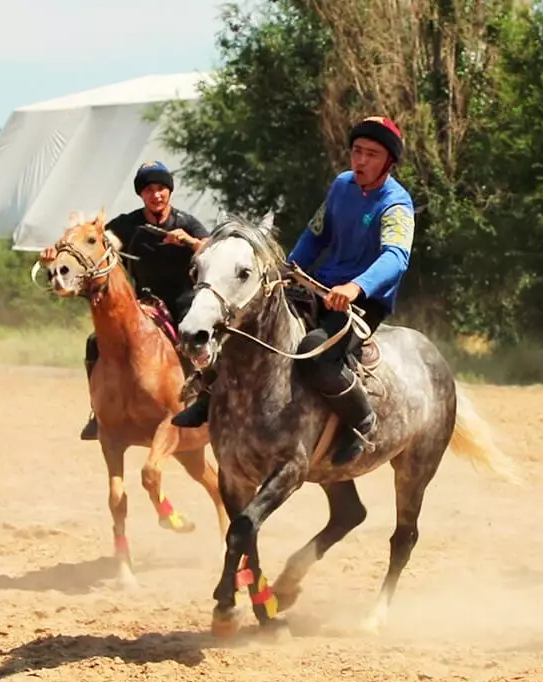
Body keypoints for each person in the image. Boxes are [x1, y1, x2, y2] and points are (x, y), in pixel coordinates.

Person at [174, 115, 415, 467]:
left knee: (316, 352)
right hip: (318, 286)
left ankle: (362, 422)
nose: (360, 161)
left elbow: (396, 257)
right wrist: (289, 268)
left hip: (362, 303)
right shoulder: (342, 186)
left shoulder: (396, 204)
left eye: (371, 154)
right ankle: (209, 397)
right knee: (247, 321)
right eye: (356, 151)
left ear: (389, 162)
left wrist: (355, 287)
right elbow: (316, 234)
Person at [41, 160, 211, 439]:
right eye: (148, 190)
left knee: (195, 336)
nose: (155, 195)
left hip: (183, 298)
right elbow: (90, 244)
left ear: (169, 191)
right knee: (95, 342)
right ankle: (98, 412)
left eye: (160, 188)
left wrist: (190, 242)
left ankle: (206, 399)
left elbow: (212, 247)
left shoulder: (186, 222)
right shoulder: (128, 224)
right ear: (140, 194)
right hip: (144, 299)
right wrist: (56, 256)